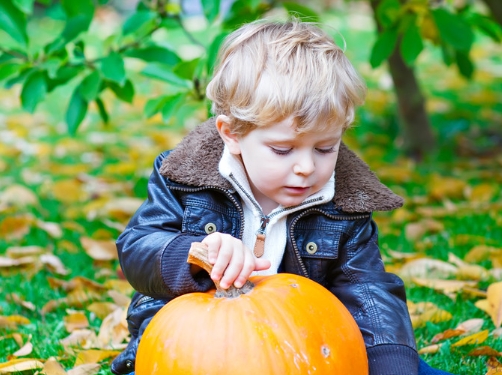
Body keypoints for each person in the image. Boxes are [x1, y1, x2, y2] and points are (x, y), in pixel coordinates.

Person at [111, 19, 454, 375]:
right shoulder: (183, 178)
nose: (306, 167)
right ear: (232, 134)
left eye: (325, 148)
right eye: (282, 149)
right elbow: (137, 246)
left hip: (308, 346)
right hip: (193, 350)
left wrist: (390, 364)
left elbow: (368, 292)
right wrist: (196, 254)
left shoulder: (344, 203)